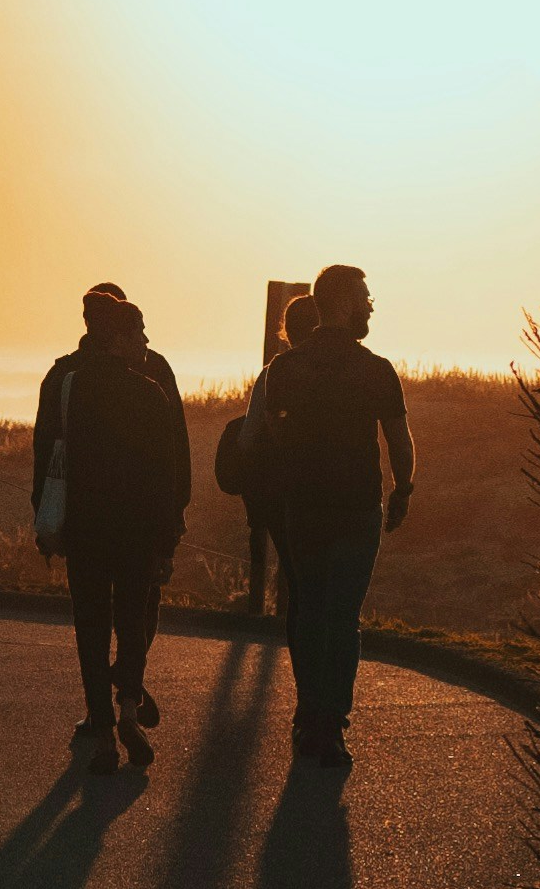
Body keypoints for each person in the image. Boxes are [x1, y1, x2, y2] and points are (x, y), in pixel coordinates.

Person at [218, 259, 409, 768]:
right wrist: (404, 489)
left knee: (308, 609)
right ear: (344, 303)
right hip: (356, 508)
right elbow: (397, 437)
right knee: (342, 617)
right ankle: (331, 722)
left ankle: (309, 712)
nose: (371, 305)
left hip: (302, 509)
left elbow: (262, 438)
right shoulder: (376, 369)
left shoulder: (284, 370)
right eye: (365, 297)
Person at [26, 280, 194, 774]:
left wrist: (45, 519)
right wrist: (171, 527)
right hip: (139, 529)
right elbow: (171, 460)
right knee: (136, 616)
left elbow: (46, 456)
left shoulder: (63, 379)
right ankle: (128, 702)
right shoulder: (151, 383)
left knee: (92, 627)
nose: (145, 340)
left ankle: (104, 724)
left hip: (84, 527)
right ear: (119, 335)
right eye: (137, 331)